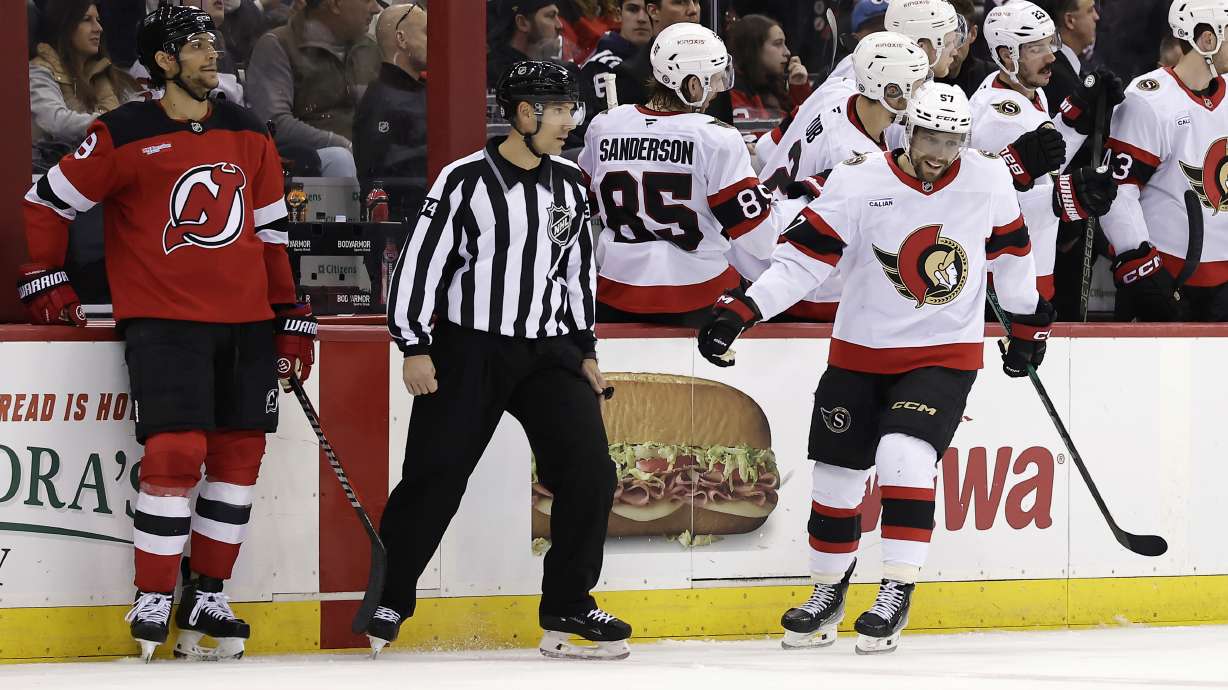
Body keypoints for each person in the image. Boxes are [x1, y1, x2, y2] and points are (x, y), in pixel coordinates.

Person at [696, 82, 1054, 655]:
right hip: (859, 353)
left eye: (953, 141)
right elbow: (804, 260)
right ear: (907, 131)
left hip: (943, 354)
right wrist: (746, 309)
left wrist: (1027, 321)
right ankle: (827, 591)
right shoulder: (859, 178)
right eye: (931, 138)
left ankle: (895, 589)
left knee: (903, 454)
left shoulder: (986, 178)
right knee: (836, 477)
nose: (940, 153)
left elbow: (1012, 256)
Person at [17, 4, 315, 661]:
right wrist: (45, 275)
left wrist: (289, 313)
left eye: (213, 42)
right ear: (163, 61)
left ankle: (207, 592)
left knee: (238, 458)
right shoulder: (123, 131)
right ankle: (153, 593)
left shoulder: (247, 129)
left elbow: (271, 234)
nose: (213, 54)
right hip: (165, 321)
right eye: (198, 45)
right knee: (176, 453)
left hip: (247, 324)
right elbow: (46, 201)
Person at [373, 61, 632, 661]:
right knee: (435, 474)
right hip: (469, 349)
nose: (569, 122)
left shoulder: (571, 184)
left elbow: (576, 272)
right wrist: (414, 344)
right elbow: (421, 264)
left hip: (549, 351)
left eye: (570, 108)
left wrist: (585, 349)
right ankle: (390, 595)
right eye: (558, 109)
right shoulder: (462, 180)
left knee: (591, 473)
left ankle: (568, 604)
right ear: (523, 114)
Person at [579, 22, 778, 326]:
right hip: (700, 297)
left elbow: (584, 205)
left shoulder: (605, 126)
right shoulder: (717, 138)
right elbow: (761, 241)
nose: (718, 90)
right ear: (693, 85)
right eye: (714, 78)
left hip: (613, 295)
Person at [754, 32, 931, 322]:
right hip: (796, 285)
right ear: (890, 91)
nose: (923, 95)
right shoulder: (855, 161)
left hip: (761, 242)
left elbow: (766, 148)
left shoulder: (835, 90)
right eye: (917, 86)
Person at [968, 0, 1120, 302]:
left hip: (1033, 269)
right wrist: (1067, 198)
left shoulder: (1024, 90)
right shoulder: (998, 121)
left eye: (1050, 43)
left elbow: (1044, 163)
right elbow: (994, 211)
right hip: (1008, 284)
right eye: (1036, 49)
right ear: (1006, 55)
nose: (1051, 56)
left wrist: (1074, 119)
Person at [1102, 0, 1228, 321]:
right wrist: (1139, 264)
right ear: (1208, 40)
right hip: (1167, 279)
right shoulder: (1149, 100)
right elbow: (1118, 190)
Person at [755, 0, 965, 173]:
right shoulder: (893, 106)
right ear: (920, 46)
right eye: (948, 43)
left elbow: (767, 148)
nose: (955, 50)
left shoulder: (841, 83)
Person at [246, 0, 380, 177]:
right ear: (335, 4)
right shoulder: (277, 45)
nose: (376, 8)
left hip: (371, 159)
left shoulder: (369, 48)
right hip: (310, 165)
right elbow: (274, 123)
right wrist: (344, 144)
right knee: (340, 159)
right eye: (368, 0)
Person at [1032, 0, 1106, 319]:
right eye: (1089, 10)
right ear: (1070, 20)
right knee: (1063, 314)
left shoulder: (1071, 72)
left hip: (1066, 215)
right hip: (1062, 225)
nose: (1097, 16)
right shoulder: (1057, 76)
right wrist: (1070, 230)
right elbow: (1060, 157)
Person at [30, 0, 139, 167]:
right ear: (64, 25)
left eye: (98, 20)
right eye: (87, 20)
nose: (98, 28)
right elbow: (55, 122)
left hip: (104, 168)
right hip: (52, 171)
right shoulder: (39, 72)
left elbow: (135, 113)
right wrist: (114, 122)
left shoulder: (106, 72)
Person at [354, 1, 428, 217]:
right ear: (401, 39)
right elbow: (378, 177)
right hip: (404, 218)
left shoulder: (425, 93)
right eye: (426, 33)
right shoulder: (381, 102)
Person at [570, 0, 651, 143]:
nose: (641, 18)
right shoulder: (601, 65)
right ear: (618, 14)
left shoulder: (665, 58)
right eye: (633, 9)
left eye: (648, 11)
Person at [608, 0, 701, 108]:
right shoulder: (630, 74)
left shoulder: (716, 61)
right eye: (679, 2)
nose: (693, 10)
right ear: (653, 11)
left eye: (696, 1)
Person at [726, 14, 812, 122]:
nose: (787, 52)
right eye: (778, 44)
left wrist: (799, 89)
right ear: (754, 49)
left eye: (784, 44)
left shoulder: (775, 87)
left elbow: (808, 124)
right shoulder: (734, 91)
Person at [487, 1, 565, 88]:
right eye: (550, 16)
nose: (559, 25)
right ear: (522, 23)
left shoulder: (544, 65)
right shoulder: (497, 74)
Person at [937, 0, 994, 98]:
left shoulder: (992, 78)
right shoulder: (916, 78)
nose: (952, 49)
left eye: (957, 38)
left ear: (973, 34)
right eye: (943, 38)